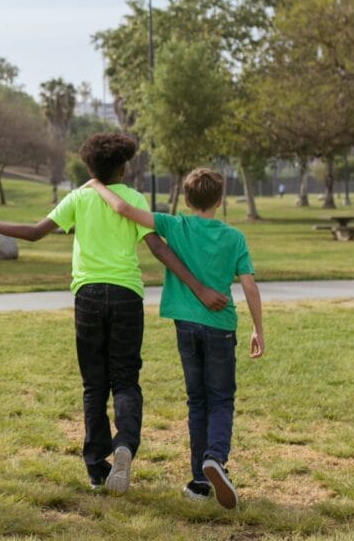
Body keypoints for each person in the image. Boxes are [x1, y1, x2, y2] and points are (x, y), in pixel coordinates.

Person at [0, 133, 228, 495]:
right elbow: (158, 248)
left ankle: (96, 468)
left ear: (90, 167)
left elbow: (35, 232)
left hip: (87, 295)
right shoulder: (133, 198)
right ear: (123, 167)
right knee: (125, 378)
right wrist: (199, 288)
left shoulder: (78, 197)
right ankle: (124, 446)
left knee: (93, 383)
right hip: (126, 296)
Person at [86, 167, 264, 509]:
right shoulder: (234, 237)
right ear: (220, 199)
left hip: (185, 325)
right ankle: (215, 458)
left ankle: (200, 481)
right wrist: (258, 328)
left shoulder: (175, 224)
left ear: (186, 199)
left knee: (197, 400)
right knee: (221, 399)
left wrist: (96, 183)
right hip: (221, 327)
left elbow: (122, 209)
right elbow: (249, 285)